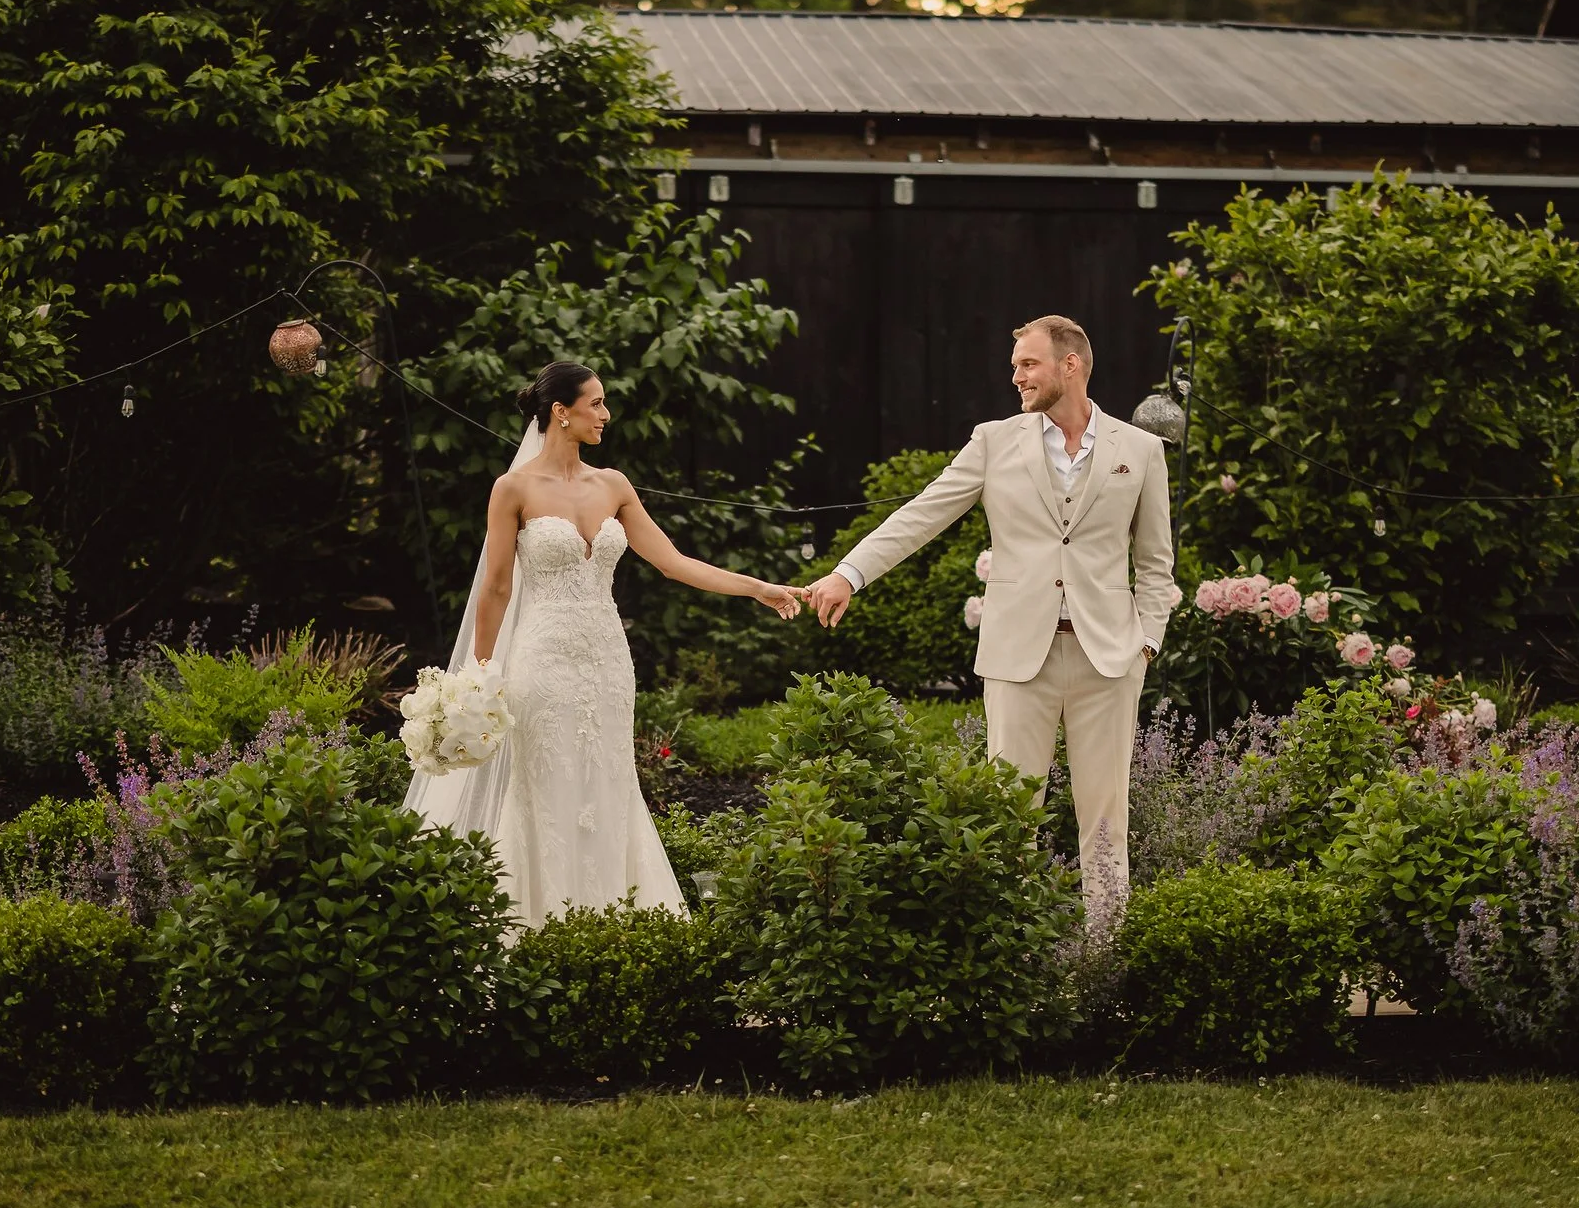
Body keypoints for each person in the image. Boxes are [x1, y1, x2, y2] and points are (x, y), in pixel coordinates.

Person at [803, 316, 1179, 923]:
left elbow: (1157, 566)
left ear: (1070, 364)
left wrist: (1148, 645)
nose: (1016, 376)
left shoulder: (1138, 451)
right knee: (1011, 818)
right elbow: (922, 514)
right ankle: (1020, 967)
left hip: (1109, 658)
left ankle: (1107, 962)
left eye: (1028, 364)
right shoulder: (994, 441)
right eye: (1015, 366)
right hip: (1016, 658)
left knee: (1108, 822)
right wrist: (850, 573)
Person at [406, 361, 803, 924]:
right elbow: (495, 587)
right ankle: (539, 929)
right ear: (560, 413)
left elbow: (673, 562)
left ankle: (618, 926)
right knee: (546, 788)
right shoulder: (512, 488)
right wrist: (480, 671)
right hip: (541, 660)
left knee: (610, 783)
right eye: (595, 403)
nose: (605, 414)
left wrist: (757, 588)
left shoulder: (613, 484)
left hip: (609, 661)